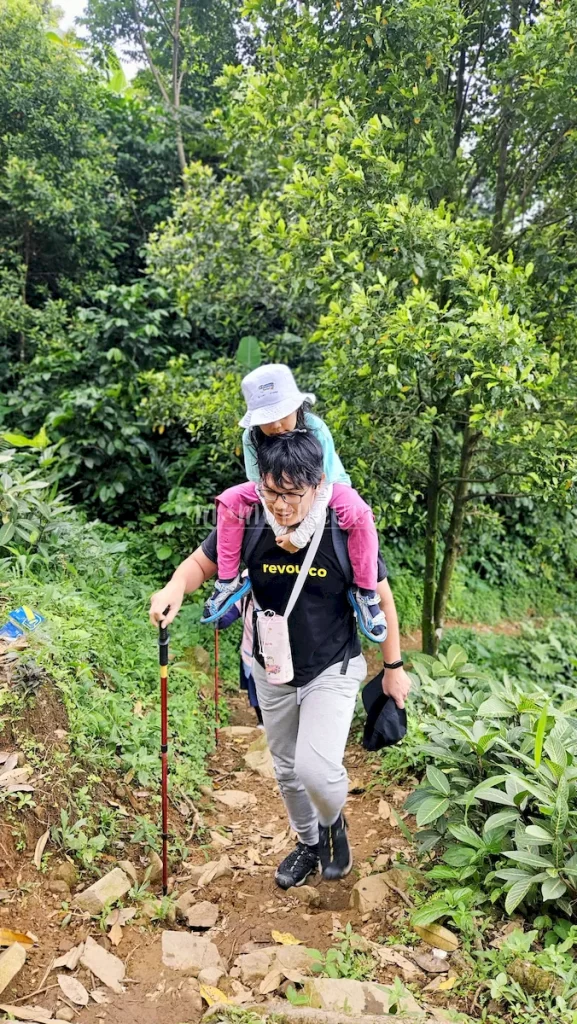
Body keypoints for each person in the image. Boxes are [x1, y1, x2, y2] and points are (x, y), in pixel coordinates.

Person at [150, 430, 411, 889]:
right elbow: (198, 565)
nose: (281, 505)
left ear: (318, 485)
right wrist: (173, 589)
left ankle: (334, 825)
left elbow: (383, 601)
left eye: (293, 494)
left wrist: (392, 669)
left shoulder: (342, 528)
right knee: (288, 771)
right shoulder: (248, 520)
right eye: (272, 491)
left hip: (331, 664)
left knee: (315, 767)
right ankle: (309, 843)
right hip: (270, 666)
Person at [201, 364, 386, 641]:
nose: (275, 425)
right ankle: (227, 581)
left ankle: (365, 593)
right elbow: (262, 489)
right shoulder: (251, 438)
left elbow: (322, 488)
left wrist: (298, 536)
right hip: (274, 486)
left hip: (326, 486)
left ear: (297, 407)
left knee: (360, 515)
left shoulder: (315, 428)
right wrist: (280, 528)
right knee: (229, 501)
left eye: (281, 415)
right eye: (267, 418)